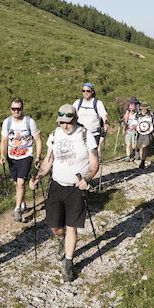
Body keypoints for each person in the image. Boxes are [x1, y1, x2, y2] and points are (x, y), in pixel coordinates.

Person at [30, 104, 100, 282]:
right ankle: (61, 240)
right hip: (57, 186)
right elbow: (49, 160)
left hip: (76, 188)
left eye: (68, 122)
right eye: (61, 122)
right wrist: (39, 176)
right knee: (54, 226)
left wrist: (87, 178)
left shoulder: (85, 135)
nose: (65, 125)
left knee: (71, 227)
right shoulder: (54, 135)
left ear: (76, 119)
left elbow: (94, 163)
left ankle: (68, 262)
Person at [0, 98, 42, 222]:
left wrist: (38, 157)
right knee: (16, 183)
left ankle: (17, 209)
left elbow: (38, 140)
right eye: (13, 109)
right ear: (10, 109)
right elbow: (3, 140)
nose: (16, 111)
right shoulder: (7, 123)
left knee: (21, 182)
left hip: (26, 156)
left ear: (22, 109)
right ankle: (22, 204)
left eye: (18, 109)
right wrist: (2, 155)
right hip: (12, 157)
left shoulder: (30, 122)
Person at [73, 82, 110, 147]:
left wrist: (105, 128)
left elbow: (105, 118)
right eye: (83, 91)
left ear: (92, 92)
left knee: (93, 153)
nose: (85, 93)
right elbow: (71, 115)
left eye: (88, 91)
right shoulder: (77, 103)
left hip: (94, 135)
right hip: (79, 135)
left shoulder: (98, 103)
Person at [135, 103, 154, 169]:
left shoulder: (151, 114)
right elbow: (134, 123)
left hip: (148, 133)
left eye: (145, 109)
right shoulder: (138, 115)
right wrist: (135, 128)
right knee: (140, 147)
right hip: (140, 133)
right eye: (143, 109)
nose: (144, 110)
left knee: (144, 146)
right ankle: (142, 159)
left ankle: (143, 161)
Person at [122, 97, 140, 162]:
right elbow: (125, 122)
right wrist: (124, 130)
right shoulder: (127, 115)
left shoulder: (137, 115)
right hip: (128, 131)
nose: (131, 111)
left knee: (134, 145)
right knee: (128, 144)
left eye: (133, 110)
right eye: (131, 110)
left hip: (134, 131)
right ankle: (128, 156)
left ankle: (136, 152)